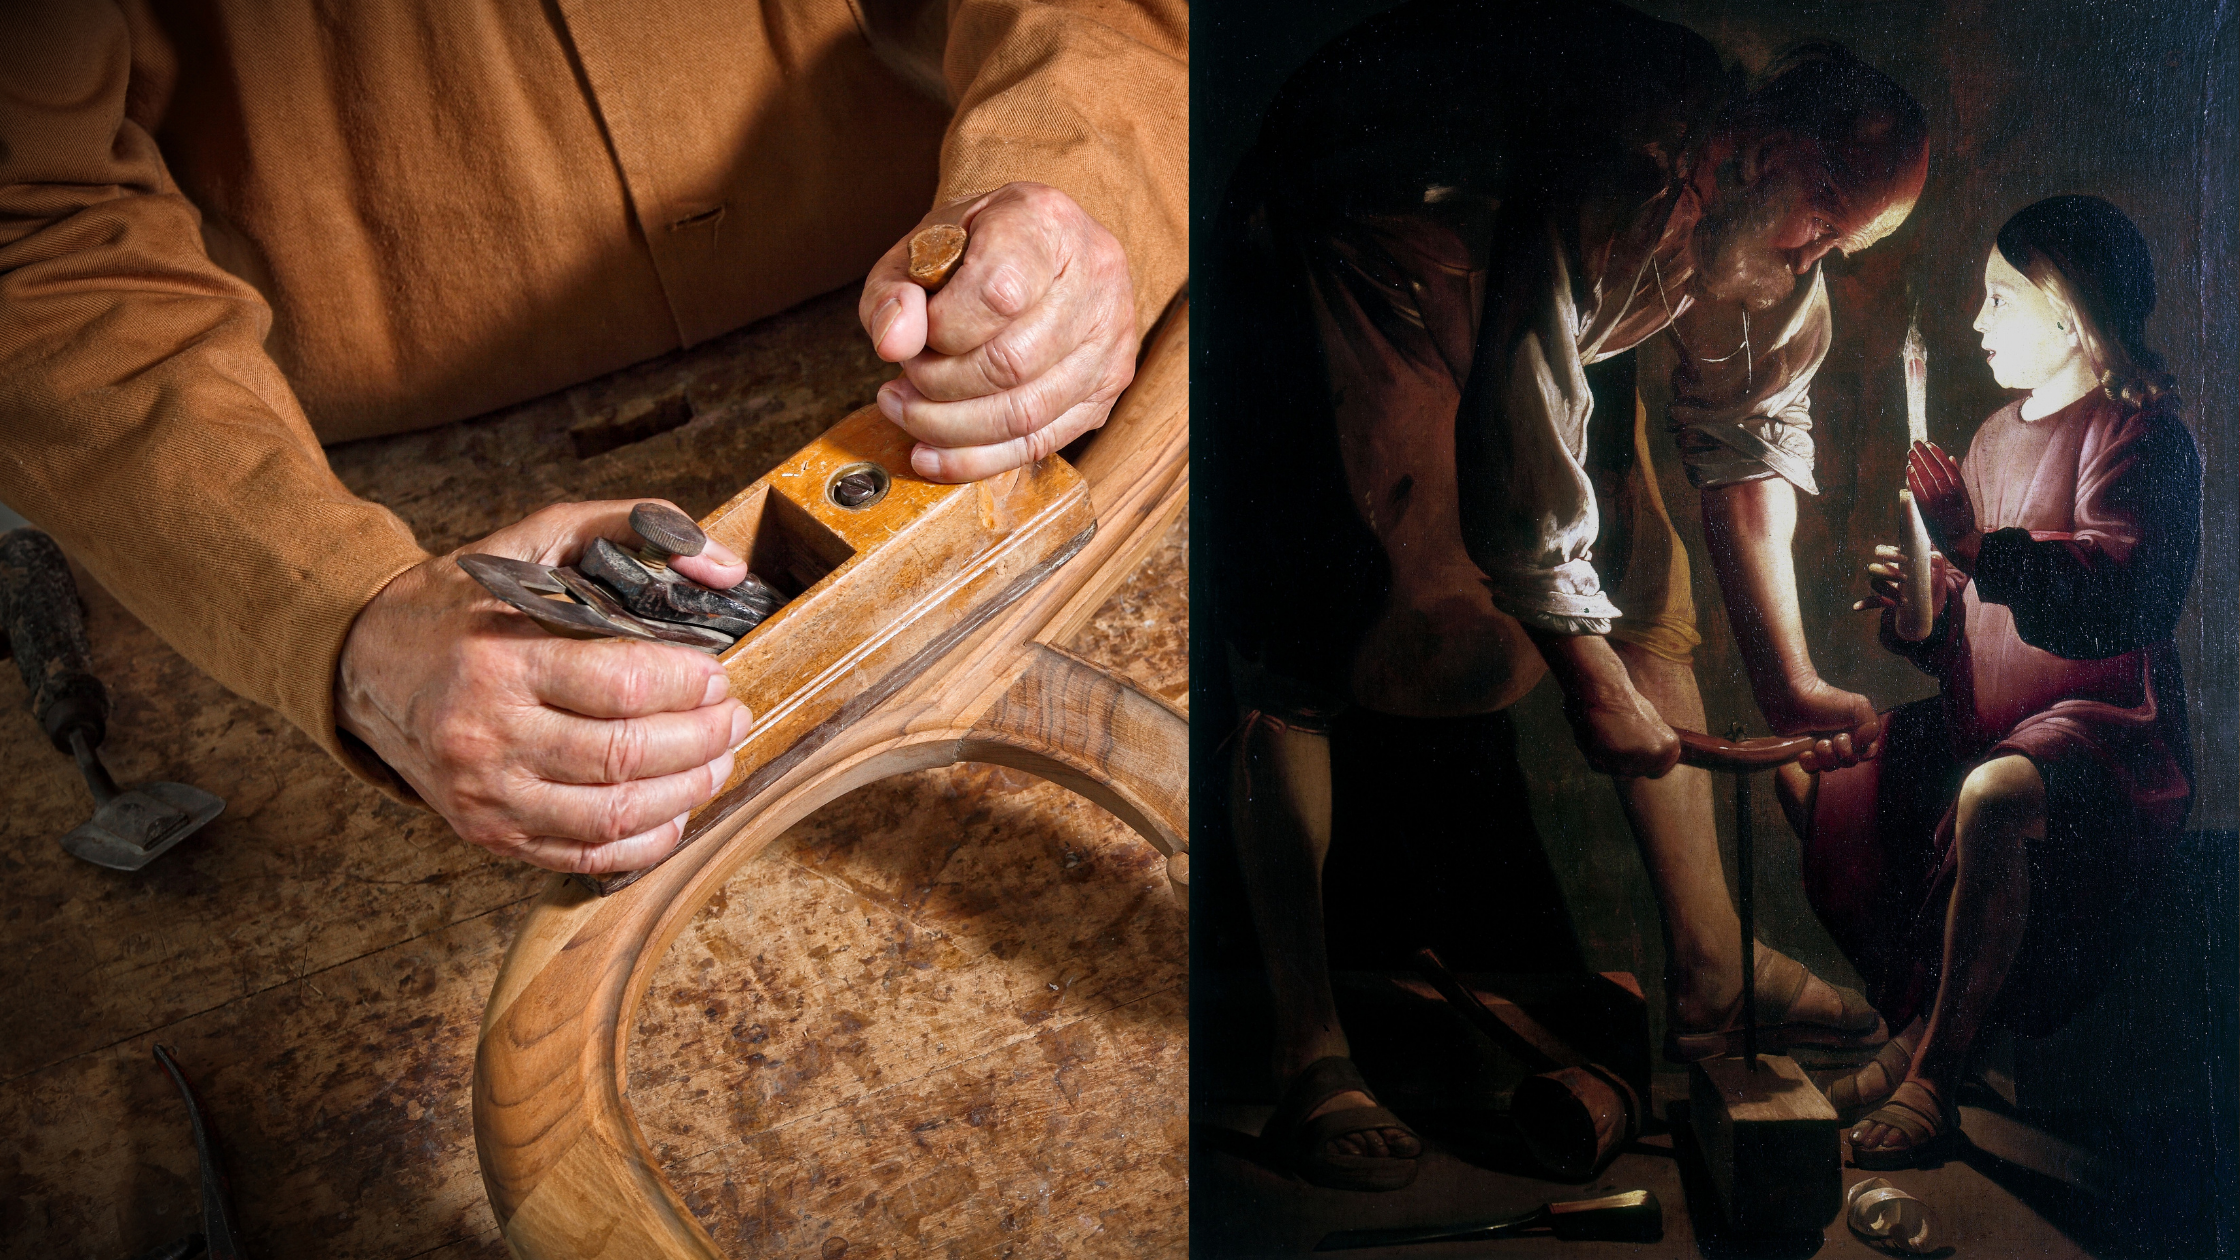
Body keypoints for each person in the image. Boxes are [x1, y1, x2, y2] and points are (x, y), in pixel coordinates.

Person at [0, 2, 1184, 874]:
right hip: (301, 465)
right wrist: (333, 615)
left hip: (906, 298)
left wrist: (1073, 173)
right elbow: (35, 246)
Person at [1205, 0, 1925, 1191]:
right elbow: (1518, 408)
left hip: (1499, 300)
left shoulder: (1759, 226)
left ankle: (1707, 972)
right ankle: (1306, 1050)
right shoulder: (1623, 160)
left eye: (1839, 244)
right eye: (1821, 228)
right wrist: (1586, 683)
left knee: (1644, 577)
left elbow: (1742, 448)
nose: (1818, 261)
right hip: (1341, 246)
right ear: (1757, 155)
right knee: (1308, 622)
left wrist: (1789, 680)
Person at [1790, 195, 2199, 1168]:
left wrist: (1971, 546)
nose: (1975, 322)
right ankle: (1916, 1021)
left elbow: (2115, 604)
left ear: (2064, 310)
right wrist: (1917, 615)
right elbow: (1973, 626)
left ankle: (1933, 1070)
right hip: (1992, 719)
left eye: (1997, 298)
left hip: (2105, 733)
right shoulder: (1984, 439)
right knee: (1827, 772)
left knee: (1988, 796)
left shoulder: (2139, 437)